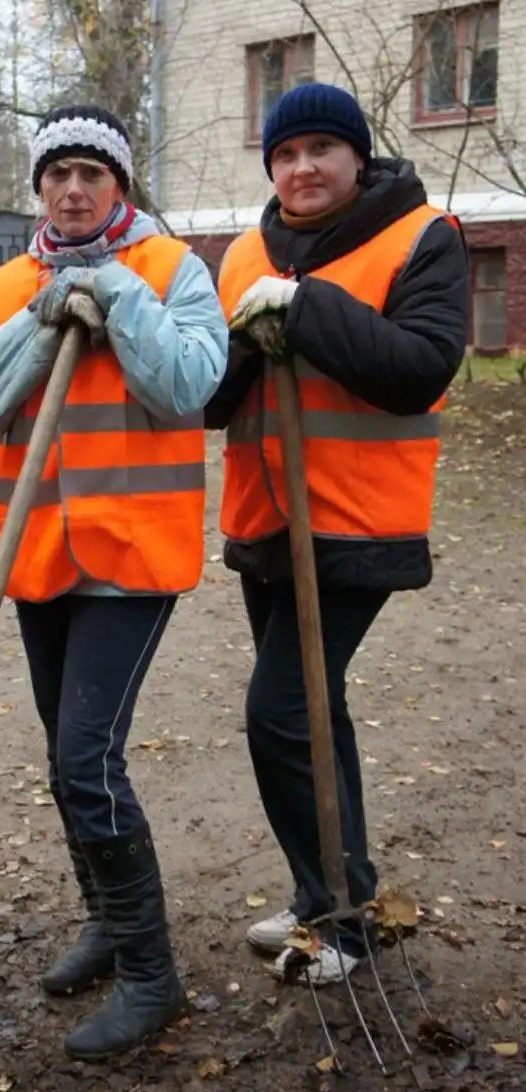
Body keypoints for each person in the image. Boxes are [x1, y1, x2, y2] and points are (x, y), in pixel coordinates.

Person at [0, 105, 228, 1056]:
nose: (71, 189)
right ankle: (106, 921)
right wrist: (42, 315)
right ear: (38, 188)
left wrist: (114, 295)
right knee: (66, 765)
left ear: (121, 186)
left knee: (84, 759)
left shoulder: (171, 270)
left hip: (130, 556)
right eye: (56, 173)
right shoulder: (7, 285)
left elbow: (189, 386)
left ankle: (152, 976)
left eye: (90, 174)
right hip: (36, 556)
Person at [205, 83, 468, 984]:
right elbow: (208, 399)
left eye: (320, 149)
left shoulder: (421, 237)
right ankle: (329, 890)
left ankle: (343, 924)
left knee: (278, 713)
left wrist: (305, 308)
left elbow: (419, 370)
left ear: (358, 157)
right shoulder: (243, 252)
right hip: (266, 521)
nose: (300, 167)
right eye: (284, 154)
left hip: (357, 525)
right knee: (317, 718)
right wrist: (248, 335)